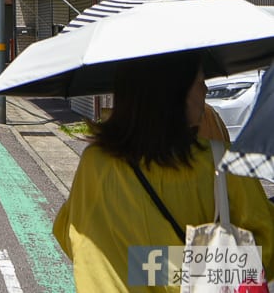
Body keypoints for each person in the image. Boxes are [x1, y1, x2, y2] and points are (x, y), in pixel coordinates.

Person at [54, 52, 274, 291]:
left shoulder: (96, 164)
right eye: (200, 82)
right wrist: (197, 266)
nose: (206, 91)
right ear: (174, 93)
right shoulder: (221, 162)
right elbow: (267, 249)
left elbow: (69, 235)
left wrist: (136, 261)